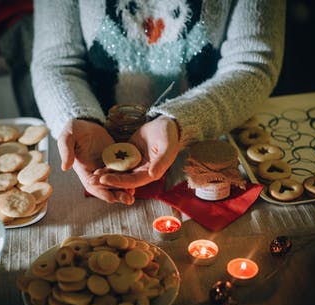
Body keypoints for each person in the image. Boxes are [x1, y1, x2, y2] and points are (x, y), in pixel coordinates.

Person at [30, 0, 286, 204]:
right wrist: (78, 116)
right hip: (91, 150)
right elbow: (56, 62)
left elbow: (253, 64)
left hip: (210, 147)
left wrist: (179, 122)